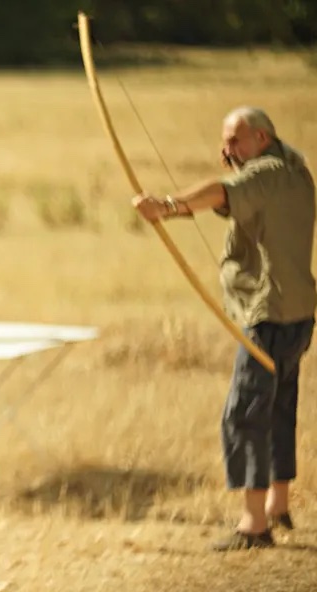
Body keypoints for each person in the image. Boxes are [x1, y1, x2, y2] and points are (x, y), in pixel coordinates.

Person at [132, 106, 316, 551]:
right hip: (299, 313)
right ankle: (277, 503)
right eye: (225, 141)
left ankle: (253, 527)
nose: (226, 149)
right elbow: (240, 194)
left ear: (262, 137)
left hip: (268, 314)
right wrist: (237, 165)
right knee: (278, 406)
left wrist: (168, 206)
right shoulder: (295, 172)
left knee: (246, 414)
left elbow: (222, 192)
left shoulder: (264, 174)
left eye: (235, 140)